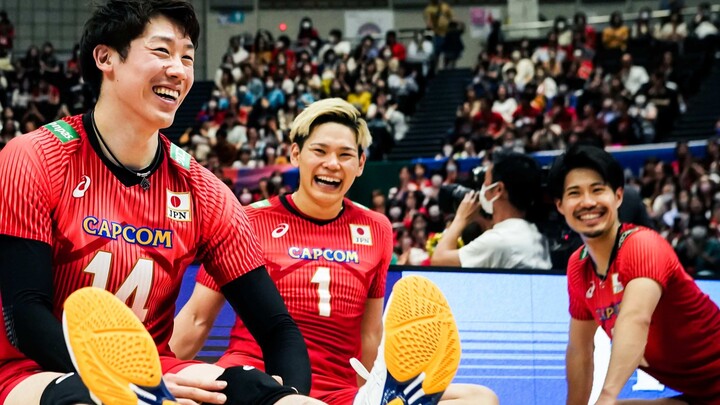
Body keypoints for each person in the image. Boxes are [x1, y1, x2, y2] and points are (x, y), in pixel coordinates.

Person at [0, 1, 321, 404]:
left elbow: (278, 330)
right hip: (30, 370)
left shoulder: (204, 191)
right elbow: (24, 318)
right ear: (106, 58)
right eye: (162, 51)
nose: (180, 70)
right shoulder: (33, 157)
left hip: (156, 372)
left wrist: (288, 396)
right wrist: (128, 384)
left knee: (256, 391)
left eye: (187, 56)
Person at [171, 98, 499, 405]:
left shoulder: (377, 228)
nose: (332, 164)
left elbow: (370, 333)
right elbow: (198, 318)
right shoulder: (248, 218)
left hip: (339, 392)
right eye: (320, 151)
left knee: (480, 398)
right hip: (259, 382)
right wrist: (157, 380)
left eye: (345, 155)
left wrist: (370, 389)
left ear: (360, 164)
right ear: (295, 154)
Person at [548, 145, 720, 404]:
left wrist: (607, 397)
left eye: (597, 190)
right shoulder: (578, 267)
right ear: (560, 205)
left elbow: (636, 319)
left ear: (618, 196)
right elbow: (580, 350)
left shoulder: (642, 245)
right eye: (575, 193)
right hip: (701, 396)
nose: (588, 202)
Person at [431, 152, 552, 269]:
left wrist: (461, 218)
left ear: (498, 189)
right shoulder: (535, 233)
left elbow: (439, 261)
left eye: (486, 183)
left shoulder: (499, 240)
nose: (482, 190)